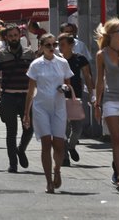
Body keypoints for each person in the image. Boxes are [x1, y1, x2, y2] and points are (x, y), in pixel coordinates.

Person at [23, 34, 75, 193]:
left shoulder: (63, 62)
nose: (52, 48)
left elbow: (68, 84)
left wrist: (64, 88)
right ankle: (48, 181)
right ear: (41, 46)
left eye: (54, 44)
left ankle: (57, 170)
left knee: (59, 144)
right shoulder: (36, 65)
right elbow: (31, 91)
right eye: (48, 45)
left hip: (59, 107)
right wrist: (26, 113)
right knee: (46, 143)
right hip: (41, 107)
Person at [93, 17, 119, 192]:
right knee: (116, 139)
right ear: (112, 35)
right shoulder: (101, 55)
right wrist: (97, 102)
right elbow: (100, 80)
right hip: (111, 100)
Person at [0, 23, 35, 173]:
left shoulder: (29, 54)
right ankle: (13, 163)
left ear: (19, 36)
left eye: (16, 35)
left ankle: (21, 149)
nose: (13, 38)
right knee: (11, 131)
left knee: (29, 128)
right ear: (6, 38)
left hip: (25, 96)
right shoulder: (1, 55)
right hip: (8, 95)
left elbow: (35, 75)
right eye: (10, 36)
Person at [58, 32, 94, 166]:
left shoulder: (80, 59)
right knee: (63, 129)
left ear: (71, 45)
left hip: (75, 96)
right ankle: (64, 156)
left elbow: (88, 76)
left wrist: (92, 93)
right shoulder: (57, 60)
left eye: (63, 44)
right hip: (59, 97)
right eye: (59, 44)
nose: (60, 47)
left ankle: (71, 146)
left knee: (77, 128)